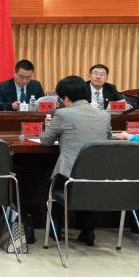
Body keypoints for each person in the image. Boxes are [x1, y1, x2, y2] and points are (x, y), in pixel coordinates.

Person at [40, 75, 112, 246]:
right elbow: (107, 139)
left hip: (69, 174)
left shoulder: (62, 113)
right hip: (97, 173)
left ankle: (55, 231)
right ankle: (88, 232)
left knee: (57, 185)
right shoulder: (104, 115)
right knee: (88, 188)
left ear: (65, 98)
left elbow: (46, 140)